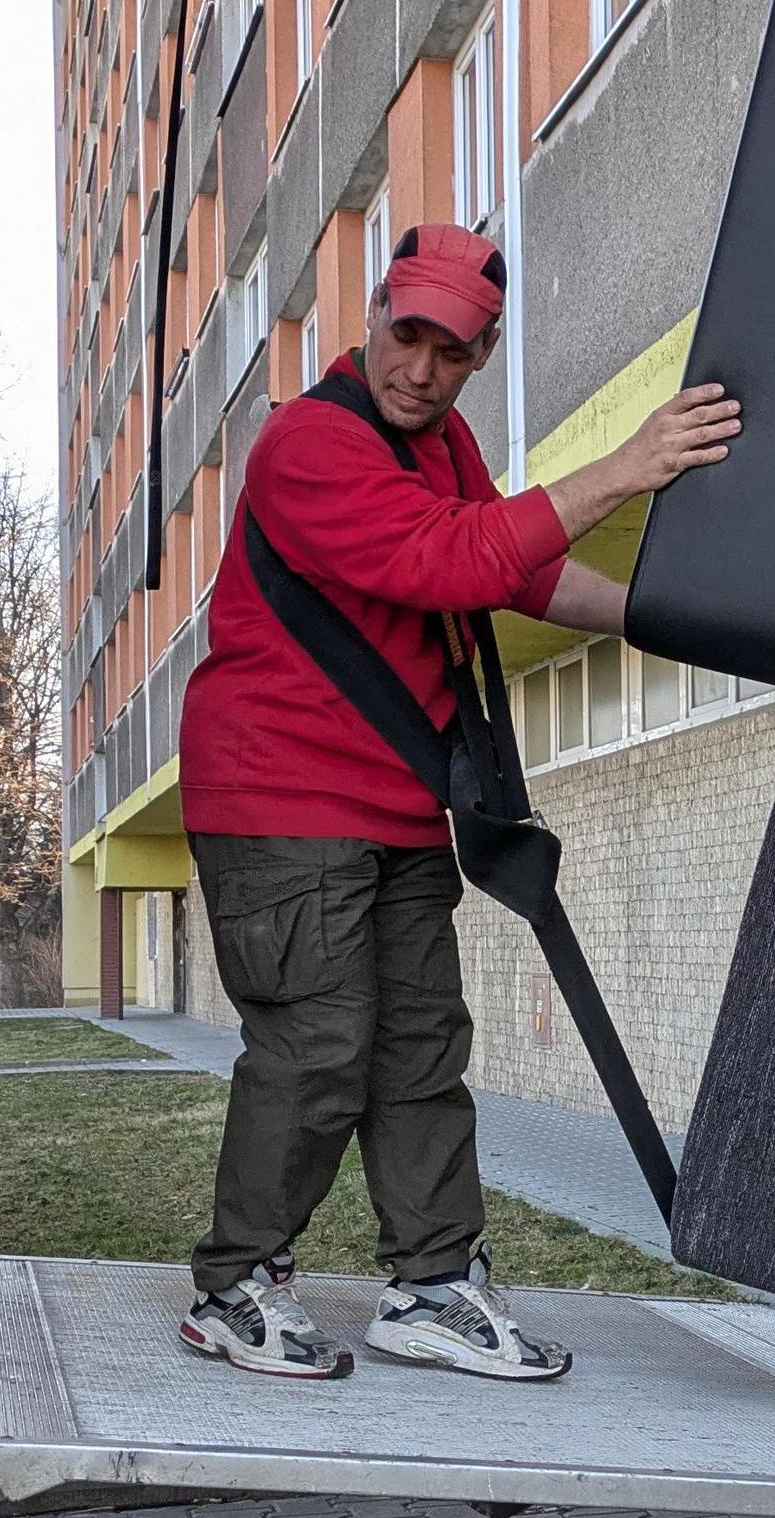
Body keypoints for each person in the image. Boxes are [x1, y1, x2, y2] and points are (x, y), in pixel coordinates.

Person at [172, 221, 737, 1382]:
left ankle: (430, 1286)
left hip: (392, 800)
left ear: (480, 355)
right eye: (406, 334)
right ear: (372, 313)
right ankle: (235, 1285)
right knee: (319, 1041)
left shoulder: (439, 443)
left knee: (419, 1045)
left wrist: (659, 613)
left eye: (452, 350)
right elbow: (447, 565)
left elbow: (518, 567)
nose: (420, 368)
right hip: (279, 795)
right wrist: (626, 466)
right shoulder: (306, 445)